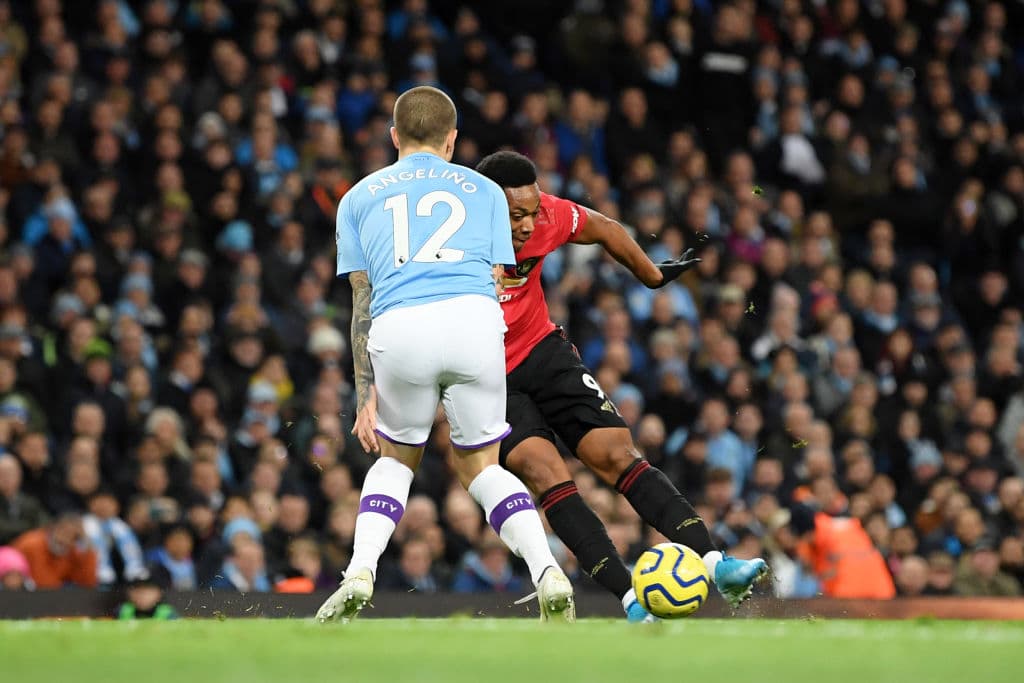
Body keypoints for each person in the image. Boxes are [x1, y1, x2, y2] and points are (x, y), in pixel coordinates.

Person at [317, 87, 573, 624]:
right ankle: (547, 569)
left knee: (395, 459)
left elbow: (362, 301)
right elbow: (499, 276)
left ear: (394, 137)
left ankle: (360, 570)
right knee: (480, 464)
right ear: (452, 140)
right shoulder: (484, 190)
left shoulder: (358, 196)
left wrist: (366, 393)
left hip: (399, 325)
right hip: (476, 322)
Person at [475, 151, 766, 619]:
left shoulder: (550, 214)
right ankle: (630, 600)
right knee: (546, 472)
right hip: (485, 374)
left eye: (532, 211)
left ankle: (716, 564)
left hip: (542, 349)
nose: (529, 224)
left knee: (619, 454)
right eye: (516, 215)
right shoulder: (453, 238)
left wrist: (651, 276)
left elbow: (605, 227)